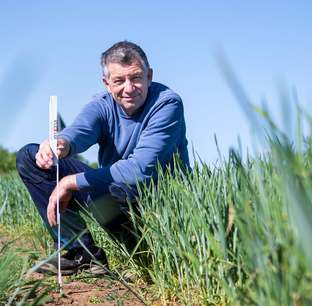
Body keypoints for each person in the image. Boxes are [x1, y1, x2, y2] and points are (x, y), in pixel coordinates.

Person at [15, 40, 190, 275]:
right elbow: (80, 130)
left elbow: (141, 169)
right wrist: (60, 145)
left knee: (103, 191)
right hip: (113, 190)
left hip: (156, 204)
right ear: (107, 84)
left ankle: (145, 258)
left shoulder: (167, 104)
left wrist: (70, 182)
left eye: (135, 78)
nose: (129, 88)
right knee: (29, 157)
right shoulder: (102, 104)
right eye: (119, 81)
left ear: (149, 77)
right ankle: (80, 252)